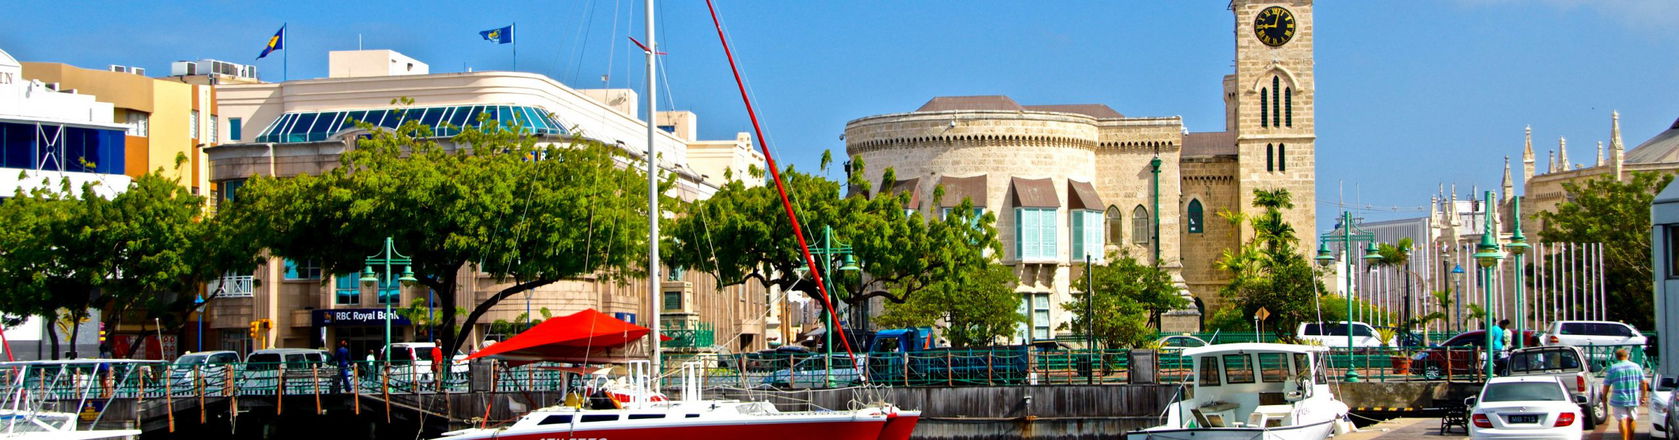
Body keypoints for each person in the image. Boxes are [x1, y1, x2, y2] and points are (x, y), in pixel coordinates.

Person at [1602, 348, 1648, 440]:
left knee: (1622, 419)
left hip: (1618, 399)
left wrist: (1604, 397)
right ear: (1627, 356)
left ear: (1616, 357)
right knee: (1632, 419)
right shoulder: (1636, 367)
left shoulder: (1613, 368)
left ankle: (1624, 438)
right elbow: (1644, 382)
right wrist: (1644, 396)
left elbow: (1606, 385)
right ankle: (1630, 438)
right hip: (1633, 398)